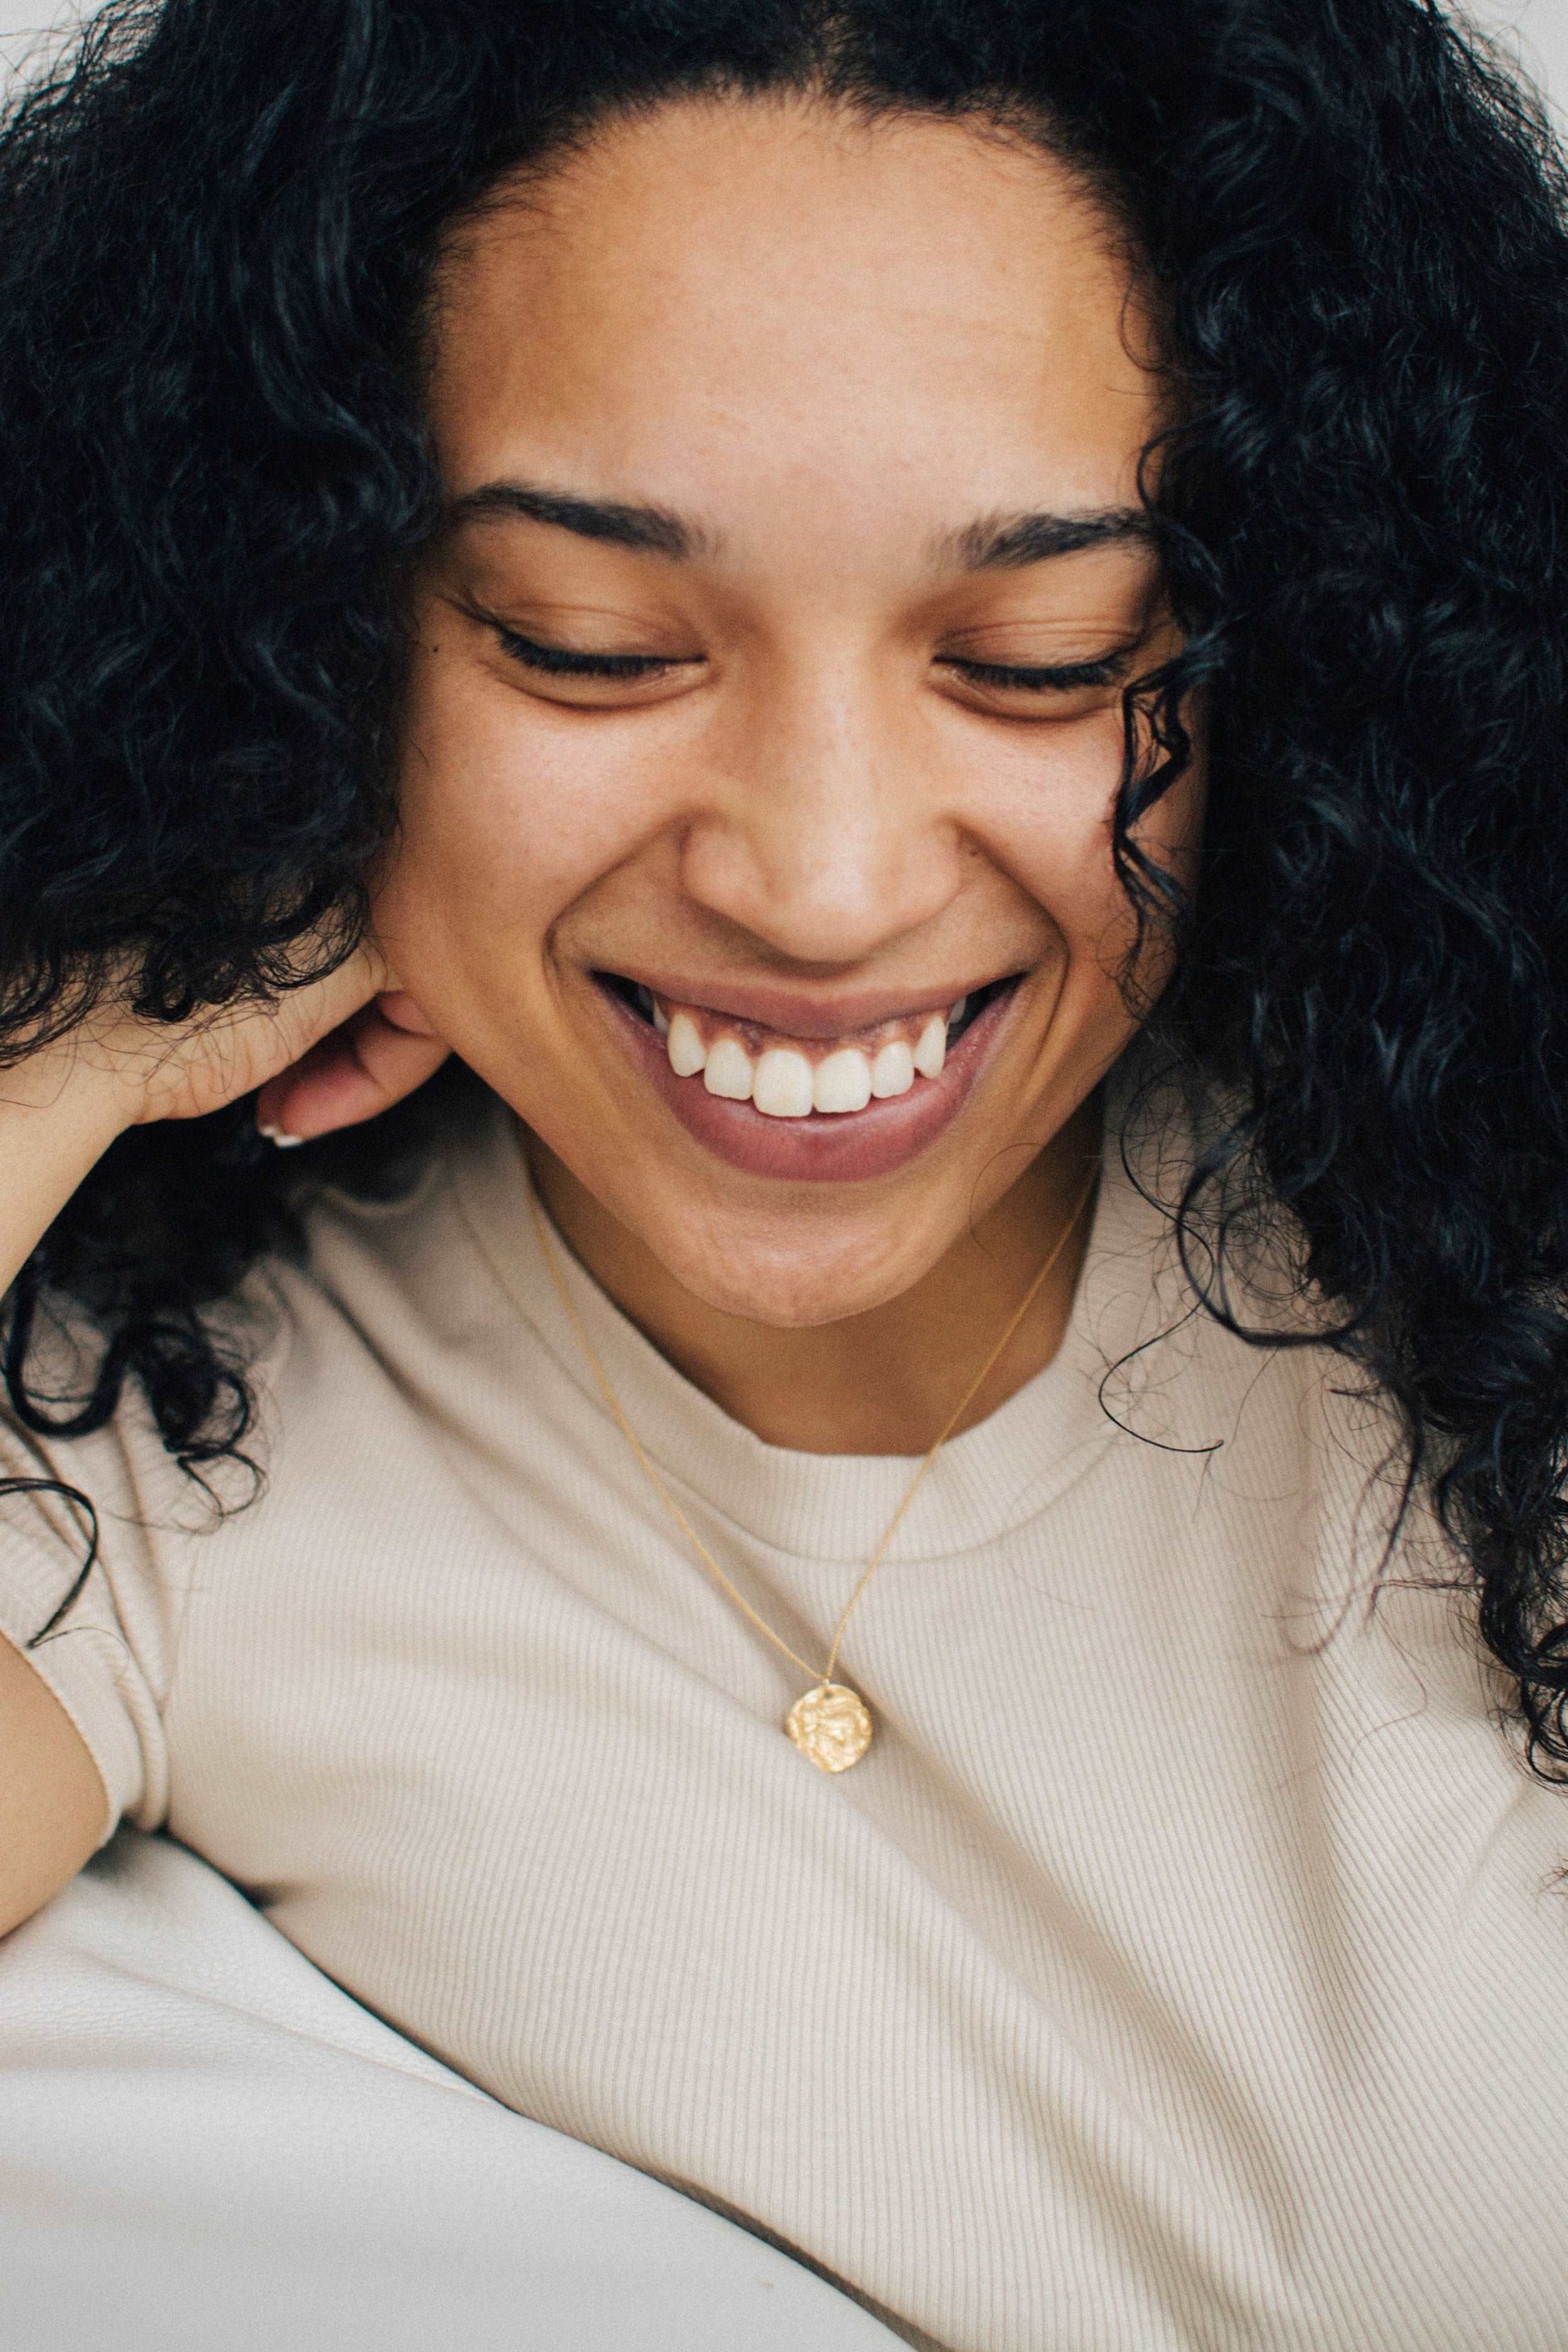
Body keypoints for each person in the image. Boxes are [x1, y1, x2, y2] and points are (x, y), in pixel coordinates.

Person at [2, 1, 1567, 2344]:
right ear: (279, 622)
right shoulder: (155, 1423)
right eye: (591, 644)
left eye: (1043, 657)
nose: (822, 885)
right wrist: (55, 1047)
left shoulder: (1488, 1244)